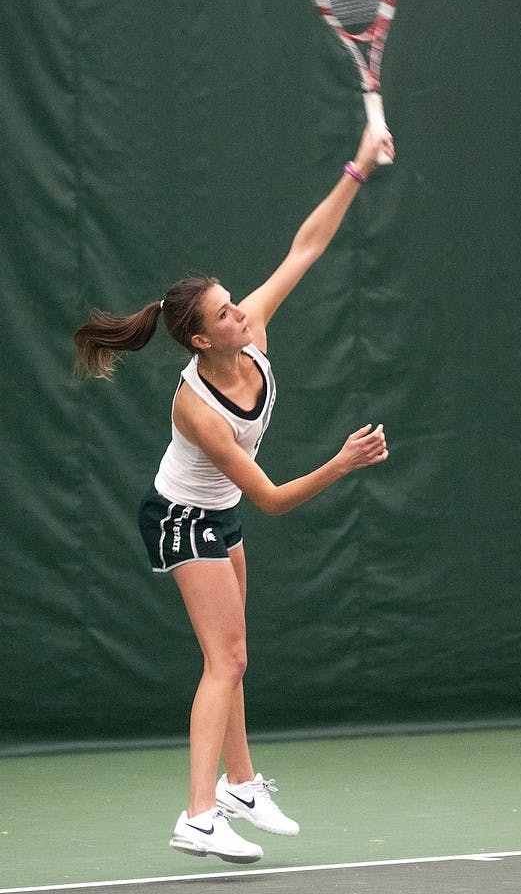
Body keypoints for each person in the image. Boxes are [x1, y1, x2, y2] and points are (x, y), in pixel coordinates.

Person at [73, 124, 395, 865]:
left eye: (233, 303)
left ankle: (242, 784)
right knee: (225, 659)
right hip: (180, 518)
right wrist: (342, 463)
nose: (240, 314)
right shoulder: (197, 407)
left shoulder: (249, 336)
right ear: (198, 341)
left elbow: (305, 248)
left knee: (237, 654)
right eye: (224, 313)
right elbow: (276, 499)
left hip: (218, 512)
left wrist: (358, 165)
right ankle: (197, 813)